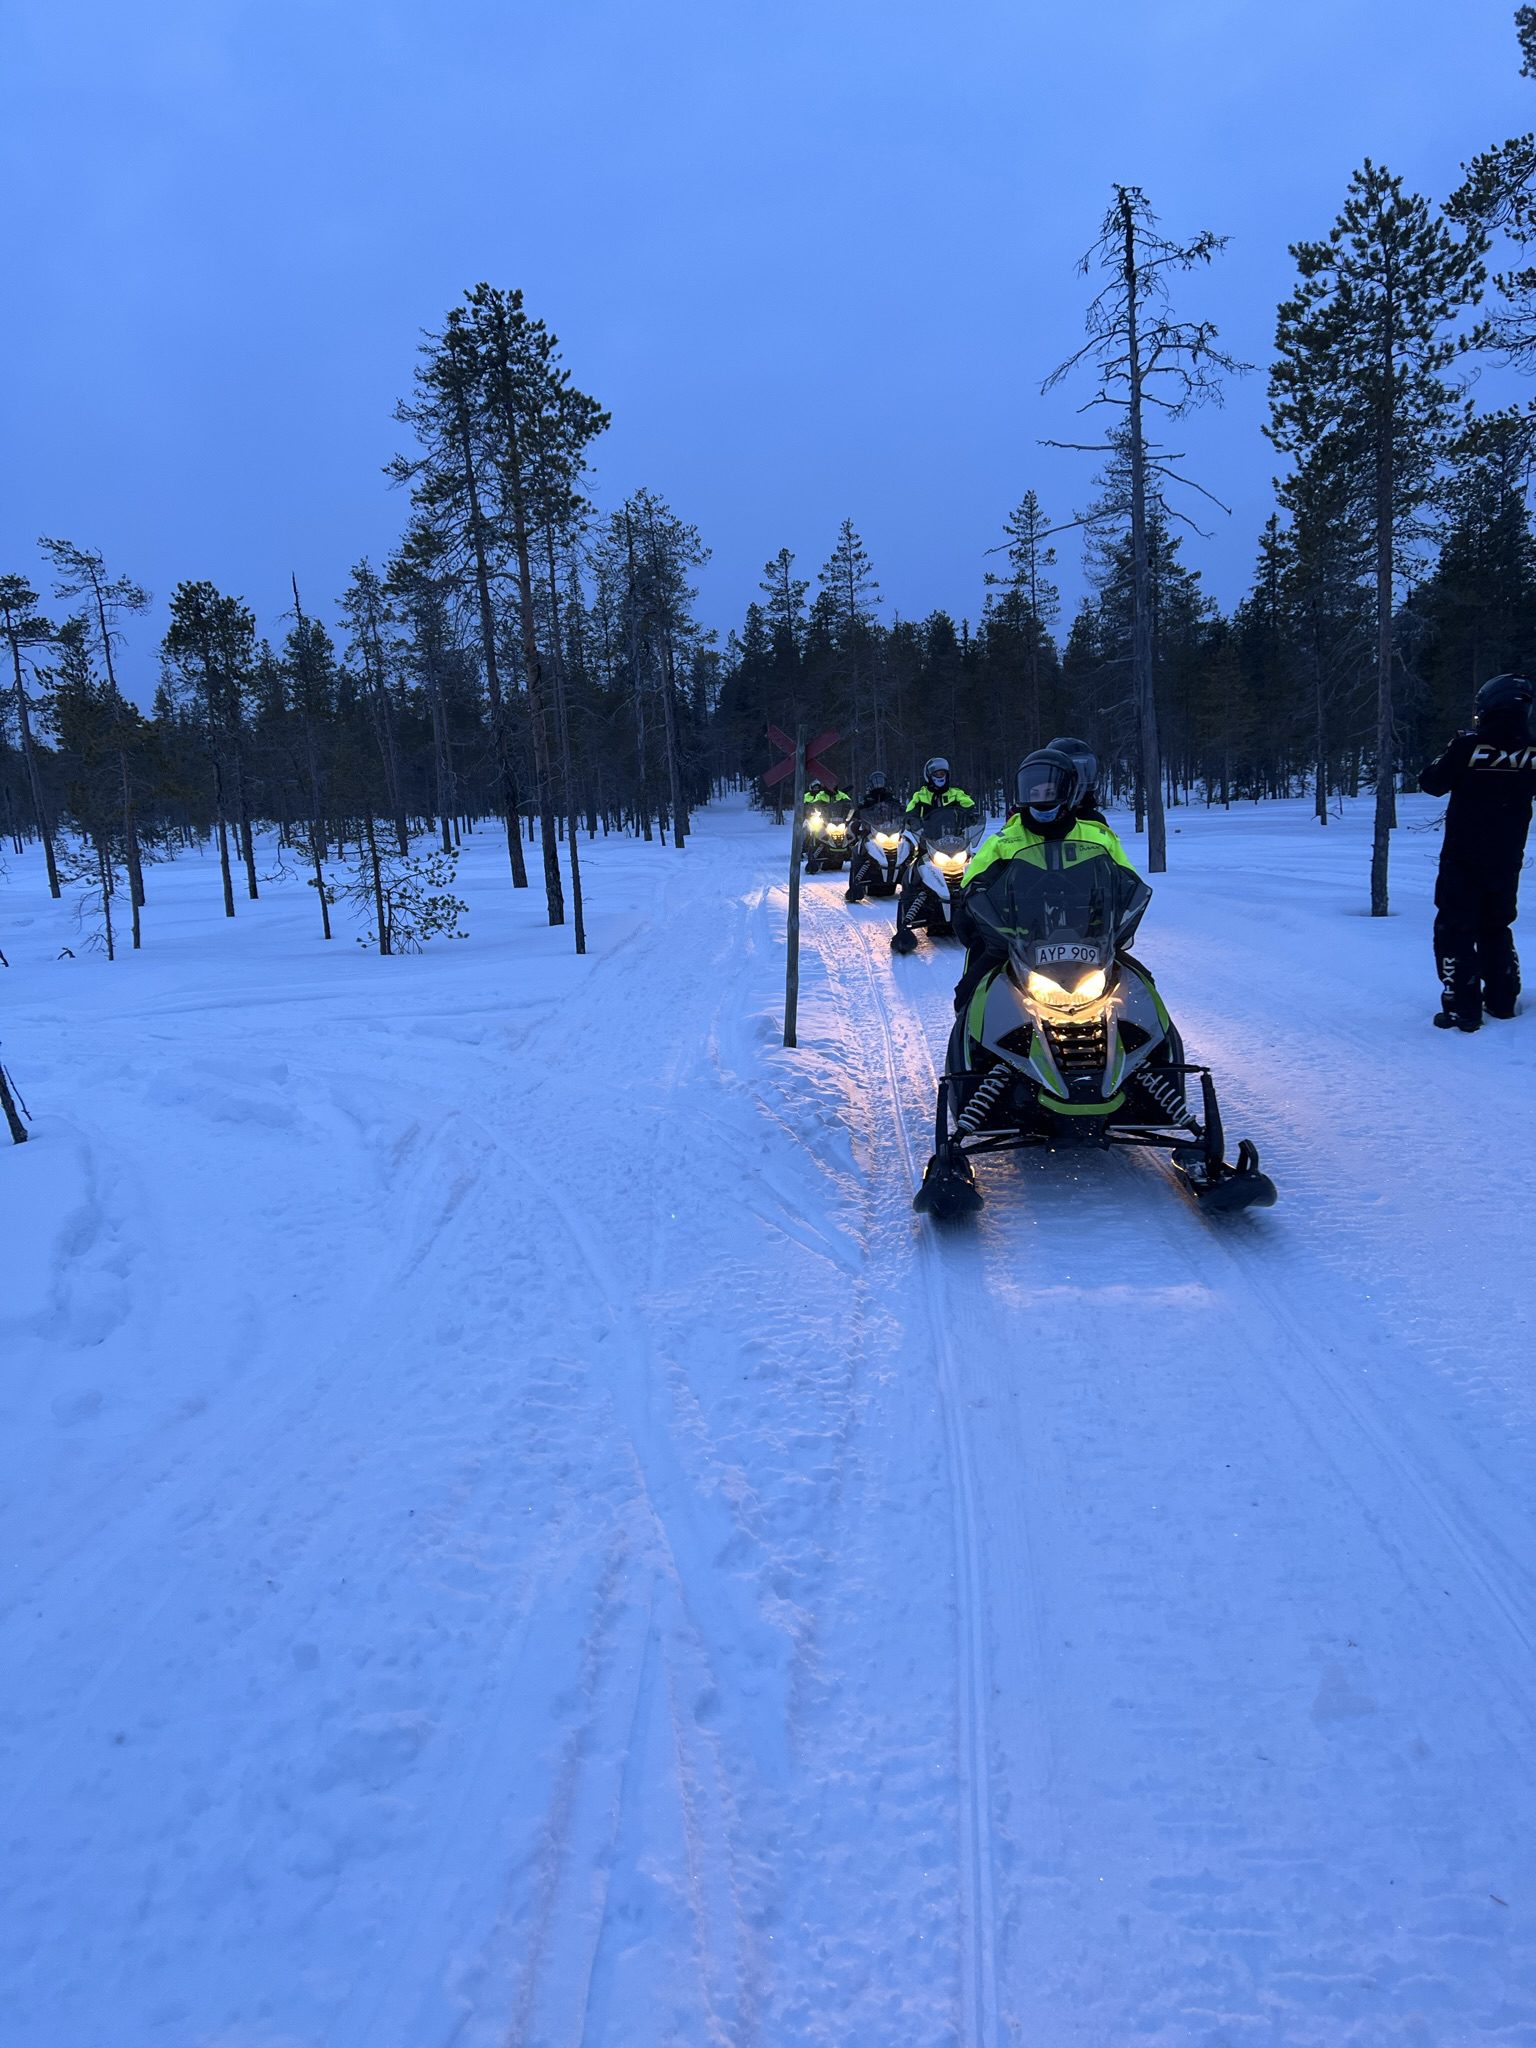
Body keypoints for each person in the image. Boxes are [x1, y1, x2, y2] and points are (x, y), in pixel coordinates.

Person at [951, 747, 1140, 1013]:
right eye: (1035, 792)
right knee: (969, 994)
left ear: (1067, 793)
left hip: (1089, 941)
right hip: (1018, 942)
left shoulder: (1098, 837)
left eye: (1049, 792)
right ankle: (969, 1049)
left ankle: (1157, 1050)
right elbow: (973, 886)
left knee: (1143, 989)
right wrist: (977, 911)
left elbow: (1127, 882)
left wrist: (1120, 916)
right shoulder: (1003, 842)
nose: (1042, 799)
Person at [1419, 673, 1536, 1032]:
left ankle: (1461, 1008)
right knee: (1496, 926)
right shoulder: (1532, 750)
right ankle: (1502, 1000)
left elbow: (1431, 782)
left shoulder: (1468, 746)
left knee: (1454, 929)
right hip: (1507, 857)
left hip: (1464, 857)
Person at [1046, 736, 1108, 824]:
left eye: (1086, 769)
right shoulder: (1040, 817)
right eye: (1076, 772)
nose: (1081, 780)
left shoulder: (1095, 820)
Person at [905, 757, 978, 827]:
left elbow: (969, 805)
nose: (940, 776)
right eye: (936, 774)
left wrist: (971, 816)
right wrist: (911, 820)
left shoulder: (956, 794)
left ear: (947, 775)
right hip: (928, 837)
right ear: (929, 776)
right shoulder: (920, 796)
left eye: (942, 774)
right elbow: (910, 811)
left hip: (955, 836)